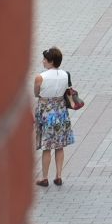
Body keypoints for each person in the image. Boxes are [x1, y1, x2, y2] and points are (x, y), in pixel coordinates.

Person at [33, 46, 76, 188]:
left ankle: (44, 177)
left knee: (47, 147)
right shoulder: (65, 74)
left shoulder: (40, 77)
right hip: (61, 111)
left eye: (44, 60)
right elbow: (68, 91)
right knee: (60, 145)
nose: (43, 62)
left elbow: (36, 93)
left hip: (46, 111)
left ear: (50, 61)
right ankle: (58, 175)